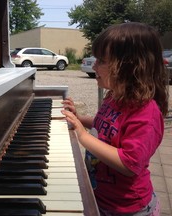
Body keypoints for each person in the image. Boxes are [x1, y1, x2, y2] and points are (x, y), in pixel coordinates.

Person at [61, 22, 169, 216]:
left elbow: (130, 164)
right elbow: (104, 124)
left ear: (130, 67)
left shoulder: (146, 113)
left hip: (128, 209)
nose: (93, 65)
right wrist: (80, 118)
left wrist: (84, 137)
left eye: (101, 60)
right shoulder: (113, 97)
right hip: (102, 197)